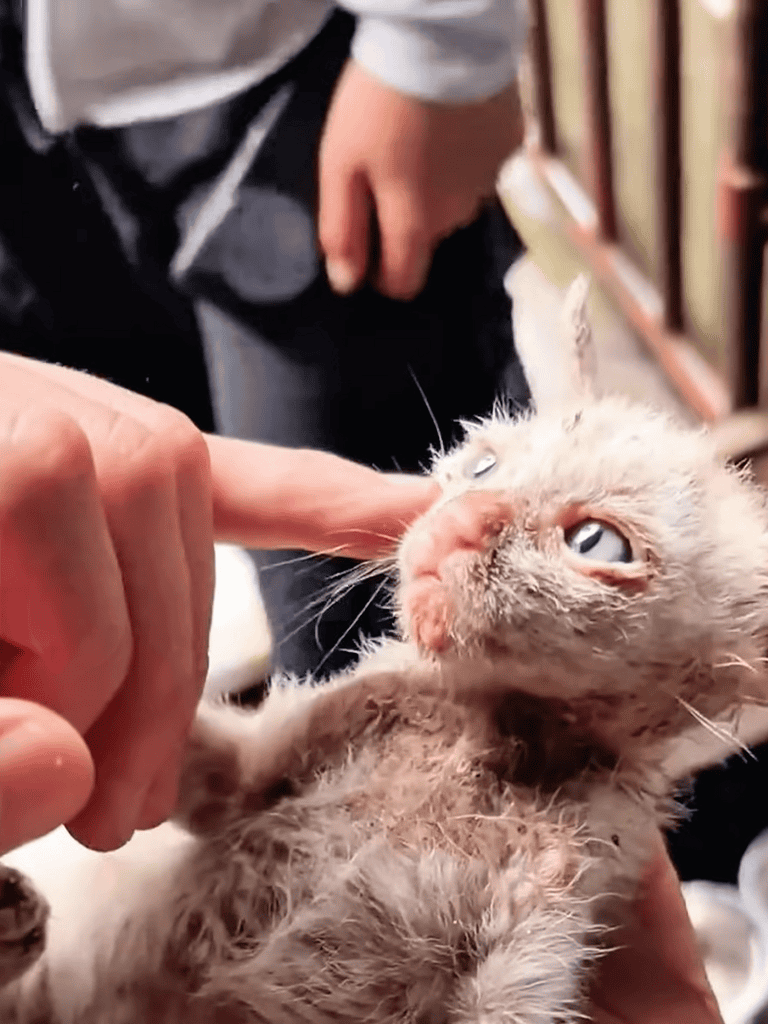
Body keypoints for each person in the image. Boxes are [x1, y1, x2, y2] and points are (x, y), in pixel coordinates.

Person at [0, 355, 723, 1022]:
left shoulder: (574, 835)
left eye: (597, 543)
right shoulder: (399, 692)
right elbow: (224, 783)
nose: (467, 519)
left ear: (710, 667)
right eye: (484, 467)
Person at [2, 0, 531, 680]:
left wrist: (440, 46)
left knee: (384, 633)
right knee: (87, 618)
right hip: (24, 195)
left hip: (268, 84)